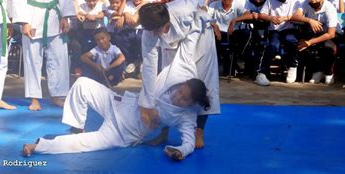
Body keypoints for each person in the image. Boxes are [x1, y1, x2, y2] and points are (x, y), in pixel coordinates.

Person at [23, 60, 210, 161]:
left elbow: (188, 142)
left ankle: (39, 146)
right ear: (181, 84)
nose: (178, 97)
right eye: (180, 91)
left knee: (82, 144)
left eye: (184, 98)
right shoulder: (168, 83)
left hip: (122, 132)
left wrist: (180, 151)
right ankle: (77, 125)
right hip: (117, 103)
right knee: (82, 83)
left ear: (192, 103)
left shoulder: (187, 116)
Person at [138, 0, 220, 149]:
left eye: (157, 30)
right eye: (151, 31)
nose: (154, 34)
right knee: (165, 82)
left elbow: (199, 2)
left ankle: (199, 132)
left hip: (201, 37)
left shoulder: (184, 9)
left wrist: (208, 18)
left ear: (165, 22)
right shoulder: (149, 32)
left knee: (201, 84)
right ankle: (163, 131)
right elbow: (149, 67)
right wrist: (149, 105)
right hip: (174, 45)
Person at [255, 0, 302, 86]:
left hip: (289, 28)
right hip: (275, 30)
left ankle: (292, 66)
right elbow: (261, 14)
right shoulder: (270, 0)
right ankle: (262, 72)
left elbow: (299, 15)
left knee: (290, 41)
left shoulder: (295, 0)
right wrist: (270, 17)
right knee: (272, 46)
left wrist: (286, 18)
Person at [290, 0, 339, 85]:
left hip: (332, 35)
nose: (312, 0)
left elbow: (331, 34)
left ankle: (329, 72)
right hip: (314, 33)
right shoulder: (306, 3)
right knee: (300, 44)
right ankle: (317, 71)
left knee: (329, 47)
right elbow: (295, 16)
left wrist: (310, 42)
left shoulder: (329, 8)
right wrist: (310, 20)